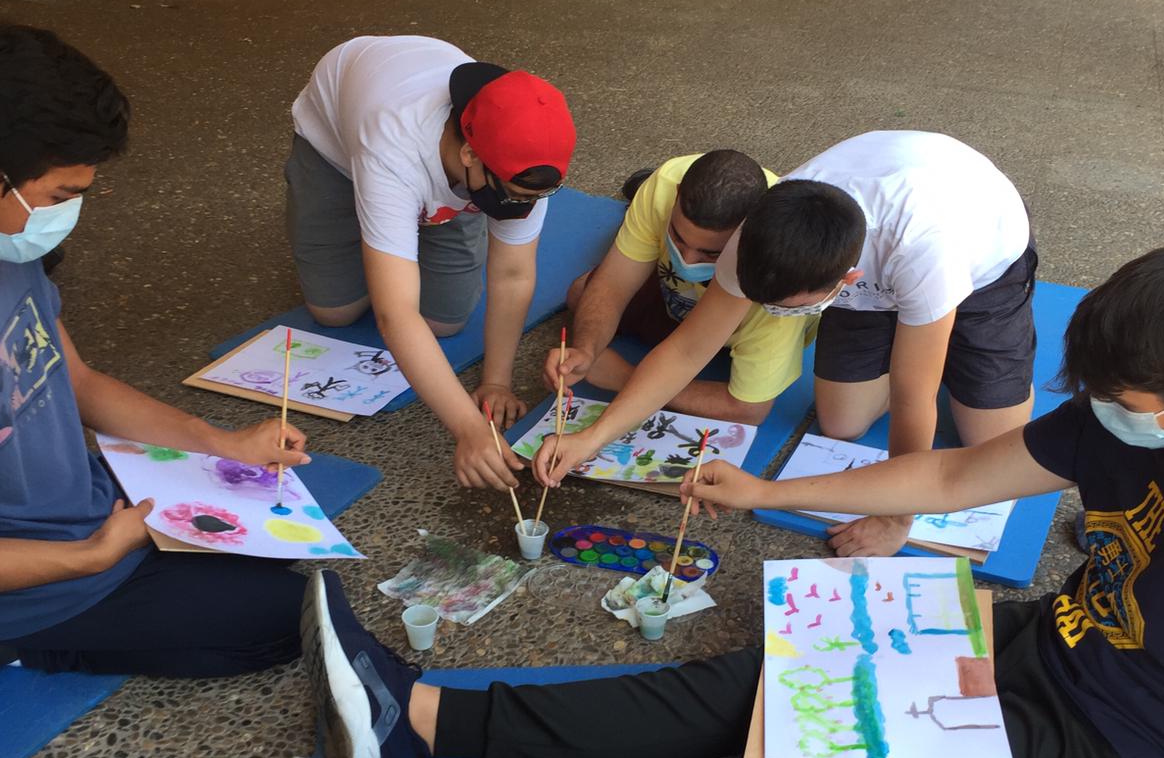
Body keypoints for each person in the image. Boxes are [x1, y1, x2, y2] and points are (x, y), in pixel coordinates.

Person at [278, 247, 1164, 758]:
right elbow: (953, 476)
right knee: (755, 685)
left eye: (1122, 405)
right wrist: (766, 495)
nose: (1102, 419)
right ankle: (417, 717)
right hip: (1048, 655)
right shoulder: (1149, 404)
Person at [0, 17, 368, 681]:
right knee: (291, 621)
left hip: (90, 504)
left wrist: (222, 443)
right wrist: (91, 555)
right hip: (36, 581)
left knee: (279, 552)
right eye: (62, 195)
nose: (70, 212)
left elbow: (76, 380)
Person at [535, 131, 1039, 557]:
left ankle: (939, 338)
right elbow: (688, 349)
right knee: (843, 424)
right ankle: (920, 335)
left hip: (983, 260)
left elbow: (914, 398)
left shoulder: (925, 251)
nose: (774, 315)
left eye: (788, 308)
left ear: (846, 282)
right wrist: (591, 438)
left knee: (991, 444)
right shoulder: (755, 237)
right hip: (877, 261)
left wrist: (895, 517)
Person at [287, 35, 576, 489]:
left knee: (443, 321)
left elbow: (513, 273)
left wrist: (496, 382)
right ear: (470, 153)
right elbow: (395, 313)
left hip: (448, 172)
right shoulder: (391, 146)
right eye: (512, 194)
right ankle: (387, 223)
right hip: (336, 148)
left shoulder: (526, 158)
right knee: (335, 312)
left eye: (532, 197)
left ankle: (412, 221)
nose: (523, 205)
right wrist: (469, 429)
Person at [545, 150, 811, 422]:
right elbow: (612, 284)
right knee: (581, 294)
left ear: (751, 233)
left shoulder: (778, 271)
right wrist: (586, 350)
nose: (687, 261)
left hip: (739, 328)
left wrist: (624, 378)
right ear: (677, 195)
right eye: (678, 238)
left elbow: (747, 410)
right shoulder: (665, 184)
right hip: (671, 298)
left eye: (711, 254)